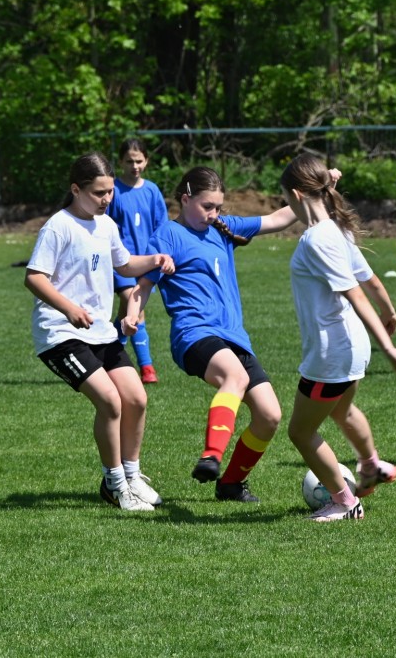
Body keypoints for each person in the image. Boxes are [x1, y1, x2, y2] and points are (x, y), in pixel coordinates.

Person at [124, 166, 300, 503]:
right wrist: (132, 317)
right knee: (235, 377)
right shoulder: (168, 236)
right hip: (194, 334)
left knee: (269, 415)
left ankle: (231, 484)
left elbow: (278, 218)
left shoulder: (223, 228)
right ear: (185, 199)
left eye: (218, 207)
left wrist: (316, 192)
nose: (214, 214)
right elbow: (143, 287)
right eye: (207, 206)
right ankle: (211, 456)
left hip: (233, 337)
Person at [24, 152, 176, 512]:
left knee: (136, 399)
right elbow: (34, 277)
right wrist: (69, 308)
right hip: (60, 334)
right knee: (110, 401)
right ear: (76, 189)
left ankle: (132, 476)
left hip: (99, 331)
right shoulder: (58, 226)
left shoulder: (106, 225)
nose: (107, 198)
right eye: (98, 192)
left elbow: (125, 264)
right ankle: (115, 485)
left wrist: (154, 259)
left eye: (110, 192)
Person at [280, 154, 396, 522]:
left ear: (296, 194)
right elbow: (369, 278)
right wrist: (389, 311)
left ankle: (344, 501)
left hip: (331, 354)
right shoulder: (338, 230)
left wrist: (390, 348)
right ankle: (371, 466)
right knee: (342, 410)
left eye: (286, 198)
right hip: (352, 348)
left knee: (301, 432)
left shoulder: (317, 239)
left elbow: (355, 292)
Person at [107, 138, 171, 385]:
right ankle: (147, 367)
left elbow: (161, 226)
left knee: (125, 314)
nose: (134, 166)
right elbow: (104, 224)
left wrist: (160, 255)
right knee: (135, 307)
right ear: (120, 162)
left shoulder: (152, 191)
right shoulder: (112, 190)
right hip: (120, 263)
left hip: (146, 263)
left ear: (146, 161)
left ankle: (109, 357)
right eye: (129, 161)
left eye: (139, 161)